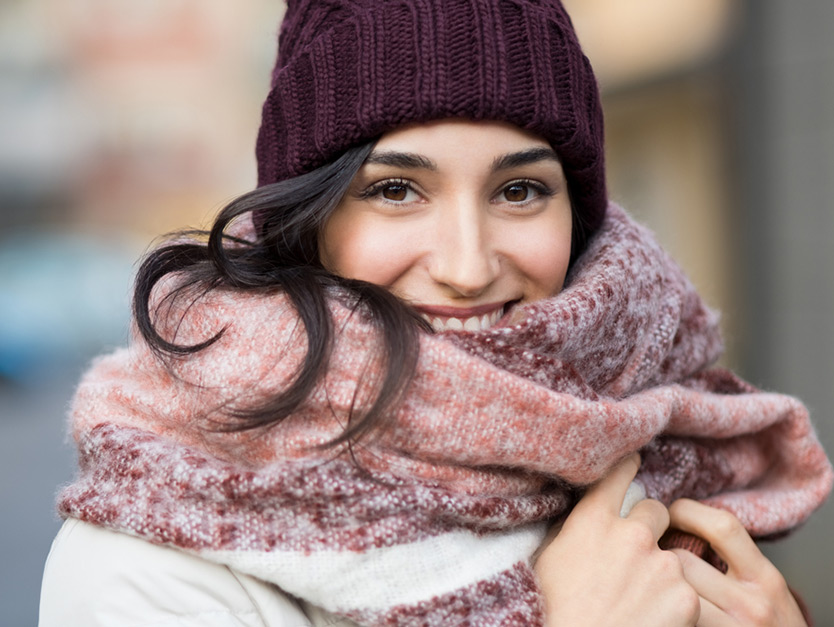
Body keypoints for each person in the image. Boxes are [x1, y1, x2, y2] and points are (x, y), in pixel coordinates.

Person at [40, 1, 832, 625]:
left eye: (519, 190)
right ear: (307, 220)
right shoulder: (153, 553)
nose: (466, 265)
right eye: (395, 190)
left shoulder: (659, 450)